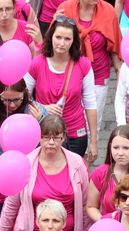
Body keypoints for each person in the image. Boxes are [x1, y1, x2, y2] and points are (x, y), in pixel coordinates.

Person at [0, 116, 91, 231]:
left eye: (56, 137)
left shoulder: (77, 163)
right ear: (39, 137)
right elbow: (12, 204)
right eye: (46, 137)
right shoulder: (25, 163)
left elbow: (85, 204)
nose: (51, 142)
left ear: (63, 138)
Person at [55, 0, 122, 125]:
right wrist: (54, 25)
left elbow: (114, 44)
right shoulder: (65, 9)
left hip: (98, 75)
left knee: (93, 125)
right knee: (66, 123)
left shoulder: (108, 11)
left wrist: (119, 74)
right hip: (69, 75)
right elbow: (54, 44)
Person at [25, 20, 98, 162]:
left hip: (75, 131)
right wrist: (43, 107)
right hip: (45, 133)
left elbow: (90, 103)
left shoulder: (83, 64)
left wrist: (94, 141)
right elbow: (22, 98)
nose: (61, 43)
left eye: (67, 39)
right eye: (58, 37)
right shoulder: (37, 64)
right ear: (51, 37)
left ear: (74, 41)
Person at [0, 80, 45, 172]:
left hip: (29, 172)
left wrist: (39, 122)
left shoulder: (38, 111)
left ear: (25, 92)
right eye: (6, 100)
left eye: (17, 100)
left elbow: (48, 144)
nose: (12, 105)